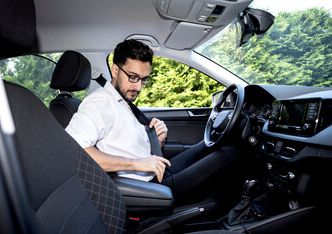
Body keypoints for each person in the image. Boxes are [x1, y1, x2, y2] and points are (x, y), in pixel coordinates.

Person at [66, 39, 243, 207]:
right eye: (133, 77)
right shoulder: (99, 103)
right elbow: (73, 151)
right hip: (149, 188)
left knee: (209, 145)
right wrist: (136, 164)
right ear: (114, 70)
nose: (138, 87)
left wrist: (158, 141)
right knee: (230, 155)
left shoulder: (120, 101)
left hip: (157, 170)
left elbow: (129, 147)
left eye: (144, 79)